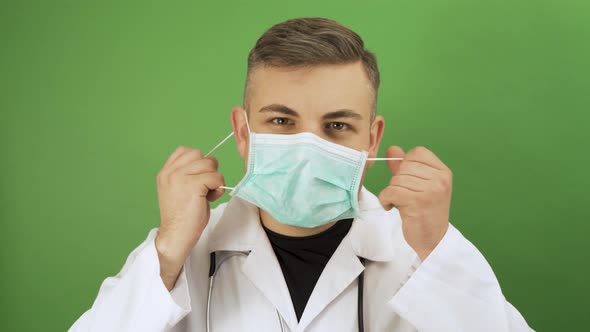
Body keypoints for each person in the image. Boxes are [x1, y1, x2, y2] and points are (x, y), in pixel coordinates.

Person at [69, 17, 534, 332]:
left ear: (371, 139)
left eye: (336, 125)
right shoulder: (184, 253)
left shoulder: (420, 255)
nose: (309, 146)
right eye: (282, 122)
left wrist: (436, 250)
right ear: (242, 131)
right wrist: (169, 246)